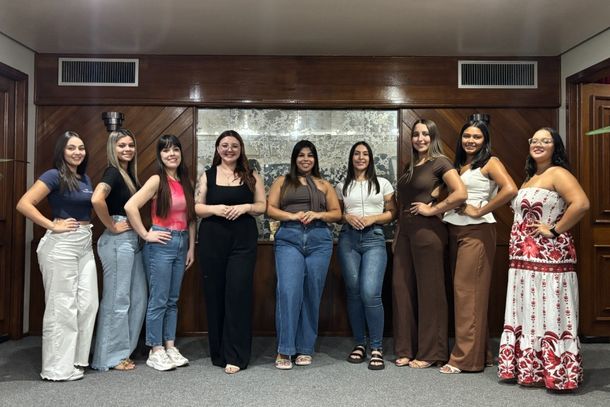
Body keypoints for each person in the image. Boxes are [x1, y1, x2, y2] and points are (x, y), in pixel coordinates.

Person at [498, 127, 589, 390]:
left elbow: (581, 204)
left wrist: (555, 230)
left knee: (550, 311)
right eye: (534, 140)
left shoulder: (558, 173)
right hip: (524, 260)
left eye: (545, 141)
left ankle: (558, 372)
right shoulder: (531, 177)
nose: (538, 144)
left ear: (555, 147)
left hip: (550, 258)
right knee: (530, 311)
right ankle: (531, 370)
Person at [16, 131, 98, 381]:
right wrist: (53, 225)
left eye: (81, 148)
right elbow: (24, 204)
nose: (77, 152)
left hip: (84, 243)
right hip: (61, 245)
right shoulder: (53, 175)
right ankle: (56, 369)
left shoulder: (85, 178)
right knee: (62, 306)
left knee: (88, 303)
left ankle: (75, 359)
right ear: (62, 151)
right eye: (71, 148)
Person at [441, 120, 517, 374]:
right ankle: (480, 354)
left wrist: (480, 210)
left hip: (477, 231)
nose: (471, 141)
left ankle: (464, 360)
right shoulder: (459, 165)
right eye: (467, 136)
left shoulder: (490, 162)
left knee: (467, 294)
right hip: (455, 230)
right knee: (468, 294)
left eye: (477, 137)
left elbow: (510, 189)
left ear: (485, 140)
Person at [392, 119, 467, 369]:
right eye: (416, 134)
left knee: (430, 292)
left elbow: (460, 193)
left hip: (428, 232)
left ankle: (431, 351)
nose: (420, 138)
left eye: (426, 134)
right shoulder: (410, 166)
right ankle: (406, 348)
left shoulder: (440, 162)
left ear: (433, 137)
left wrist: (433, 209)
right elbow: (403, 203)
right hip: (405, 233)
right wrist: (398, 235)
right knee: (402, 289)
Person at [195, 130, 266, 375]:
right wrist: (215, 209)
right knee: (215, 294)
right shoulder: (207, 175)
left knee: (238, 294)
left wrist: (245, 207)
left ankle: (236, 354)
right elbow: (197, 207)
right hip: (212, 239)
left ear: (240, 149)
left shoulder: (252, 175)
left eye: (234, 145)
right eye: (224, 145)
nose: (229, 149)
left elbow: (262, 206)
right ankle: (219, 353)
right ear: (217, 149)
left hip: (243, 240)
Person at [267, 140, 342, 370]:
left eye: (310, 155)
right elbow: (269, 209)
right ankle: (285, 348)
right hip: (289, 238)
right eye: (301, 155)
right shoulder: (282, 181)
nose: (306, 159)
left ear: (315, 159)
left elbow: (337, 214)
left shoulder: (324, 184)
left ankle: (305, 348)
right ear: (295, 158)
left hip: (319, 241)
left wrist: (318, 215)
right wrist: (291, 216)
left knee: (312, 293)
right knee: (288, 291)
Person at [125, 134, 196, 371]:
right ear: (160, 155)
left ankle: (170, 346)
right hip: (161, 243)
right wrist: (146, 234)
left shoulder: (185, 181)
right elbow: (130, 206)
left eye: (175, 149)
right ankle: (155, 349)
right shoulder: (157, 180)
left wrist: (191, 247)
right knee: (159, 299)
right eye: (166, 150)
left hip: (182, 242)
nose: (171, 154)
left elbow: (191, 218)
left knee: (173, 300)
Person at [336, 141, 396, 370]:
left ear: (370, 158)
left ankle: (376, 347)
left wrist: (373, 218)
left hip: (374, 238)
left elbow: (393, 212)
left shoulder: (383, 183)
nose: (361, 157)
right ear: (351, 158)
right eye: (356, 154)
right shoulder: (342, 185)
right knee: (353, 291)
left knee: (370, 292)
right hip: (348, 240)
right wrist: (347, 217)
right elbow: (337, 214)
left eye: (365, 154)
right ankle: (360, 343)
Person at [91, 129, 147, 371]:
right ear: (112, 148)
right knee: (117, 299)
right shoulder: (112, 172)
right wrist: (112, 225)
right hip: (117, 242)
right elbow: (97, 199)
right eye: (121, 145)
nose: (127, 149)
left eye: (130, 145)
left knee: (138, 298)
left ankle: (123, 351)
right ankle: (108, 358)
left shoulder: (128, 175)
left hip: (132, 241)